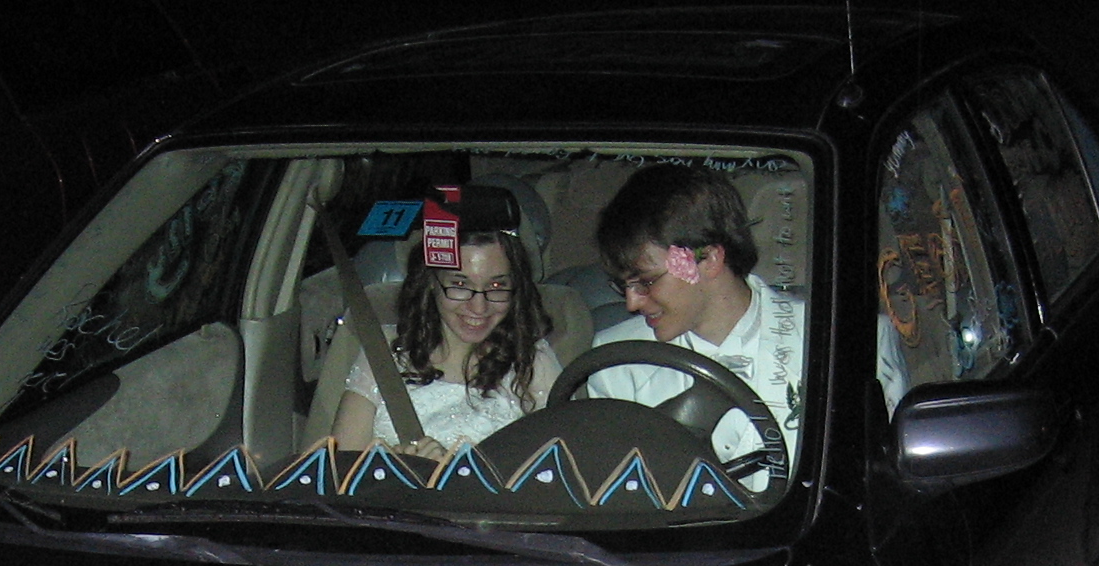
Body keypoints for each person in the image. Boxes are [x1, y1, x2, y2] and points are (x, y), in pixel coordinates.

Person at [579, 163, 808, 473]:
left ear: (710, 259)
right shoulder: (616, 360)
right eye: (623, 286)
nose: (631, 303)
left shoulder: (827, 339)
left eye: (646, 281)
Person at [326, 193, 560, 458]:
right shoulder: (383, 354)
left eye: (496, 286)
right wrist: (395, 465)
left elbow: (561, 464)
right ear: (430, 283)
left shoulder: (531, 361)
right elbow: (340, 469)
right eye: (460, 285)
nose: (479, 307)